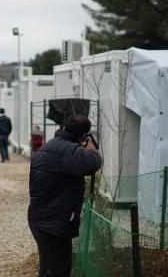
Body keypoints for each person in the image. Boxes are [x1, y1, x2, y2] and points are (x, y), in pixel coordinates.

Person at [28, 115, 102, 277]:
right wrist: (91, 150)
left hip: (37, 218)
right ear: (83, 136)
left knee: (47, 266)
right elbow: (93, 163)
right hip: (55, 223)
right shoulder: (69, 151)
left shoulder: (49, 146)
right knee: (59, 270)